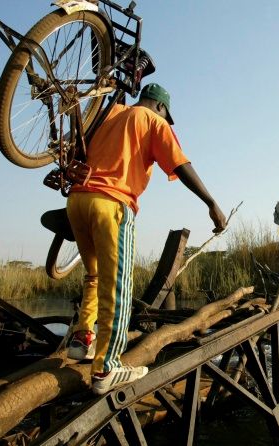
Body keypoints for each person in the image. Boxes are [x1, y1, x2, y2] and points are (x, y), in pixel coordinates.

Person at [66, 83, 226, 395]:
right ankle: (106, 368)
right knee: (119, 286)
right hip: (111, 205)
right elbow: (181, 164)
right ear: (162, 107)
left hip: (77, 202)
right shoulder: (153, 121)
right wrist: (211, 203)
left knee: (95, 275)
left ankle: (81, 339)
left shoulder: (110, 111)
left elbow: (78, 137)